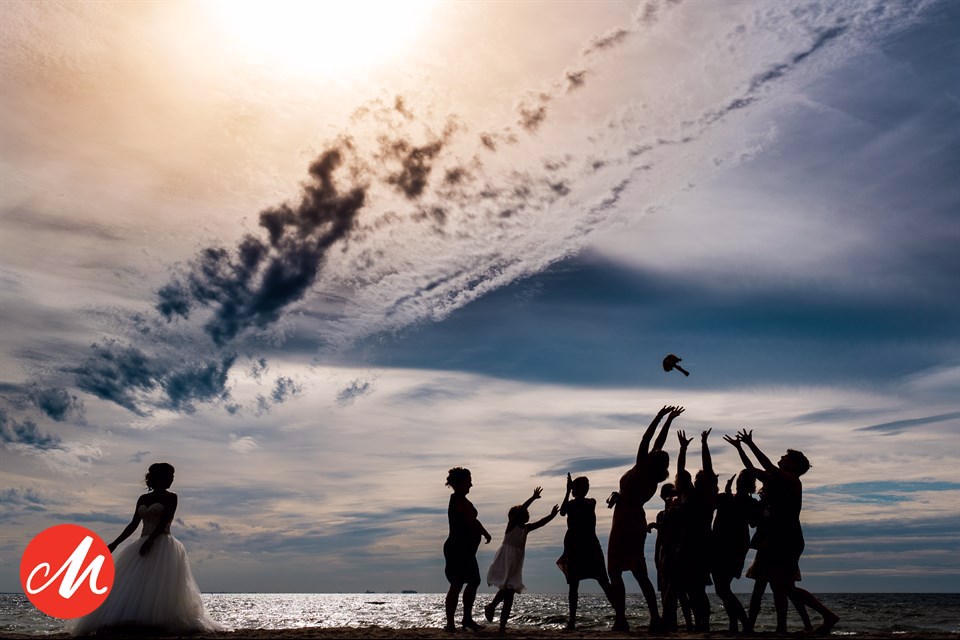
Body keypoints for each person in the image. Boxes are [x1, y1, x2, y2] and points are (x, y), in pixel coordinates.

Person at [67, 463, 223, 636]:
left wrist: (151, 540)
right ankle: (133, 618)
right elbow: (133, 524)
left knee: (160, 582)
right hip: (143, 541)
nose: (172, 479)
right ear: (159, 478)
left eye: (173, 477)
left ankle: (159, 620)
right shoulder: (143, 498)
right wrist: (115, 543)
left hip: (163, 543)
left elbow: (165, 521)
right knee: (133, 581)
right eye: (169, 476)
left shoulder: (171, 497)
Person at [727, 431, 840, 634]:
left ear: (794, 465)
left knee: (784, 586)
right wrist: (740, 448)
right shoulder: (776, 479)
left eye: (786, 456)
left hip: (786, 539)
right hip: (776, 538)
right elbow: (752, 469)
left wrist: (750, 444)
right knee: (778, 586)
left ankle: (826, 616)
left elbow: (767, 465)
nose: (781, 457)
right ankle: (781, 627)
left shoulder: (791, 480)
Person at [606, 405, 683, 632]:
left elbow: (646, 440)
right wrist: (669, 421)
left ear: (651, 460)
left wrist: (659, 416)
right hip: (637, 520)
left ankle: (621, 619)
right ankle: (655, 618)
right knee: (639, 573)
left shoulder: (641, 470)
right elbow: (657, 444)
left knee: (615, 572)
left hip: (624, 521)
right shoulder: (651, 478)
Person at [483, 486, 559, 633]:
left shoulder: (526, 529)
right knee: (507, 590)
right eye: (525, 513)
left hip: (516, 562)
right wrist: (533, 498)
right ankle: (492, 607)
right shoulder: (511, 526)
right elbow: (521, 510)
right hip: (506, 560)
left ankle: (501, 624)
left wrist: (552, 515)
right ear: (517, 516)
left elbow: (541, 523)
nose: (527, 515)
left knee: (509, 594)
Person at [663, 429, 717, 631]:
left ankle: (702, 623)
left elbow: (708, 468)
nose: (698, 478)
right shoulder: (689, 494)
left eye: (701, 477)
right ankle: (673, 623)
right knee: (677, 585)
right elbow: (680, 470)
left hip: (700, 545)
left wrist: (704, 445)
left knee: (696, 589)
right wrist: (683, 449)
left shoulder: (707, 497)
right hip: (687, 544)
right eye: (697, 477)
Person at [557, 474, 620, 630]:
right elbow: (562, 512)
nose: (585, 489)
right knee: (575, 585)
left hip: (588, 546)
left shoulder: (590, 502)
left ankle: (621, 616)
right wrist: (568, 490)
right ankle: (572, 621)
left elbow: (564, 511)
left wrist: (569, 490)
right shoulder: (574, 504)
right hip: (578, 547)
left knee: (602, 582)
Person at [710, 470, 762, 632]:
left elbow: (753, 522)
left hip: (729, 546)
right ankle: (735, 624)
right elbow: (754, 522)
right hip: (730, 545)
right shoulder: (739, 500)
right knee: (723, 587)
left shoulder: (730, 499)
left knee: (722, 588)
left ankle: (743, 623)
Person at [443, 467, 492, 632]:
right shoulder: (458, 501)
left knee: (472, 581)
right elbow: (471, 521)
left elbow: (474, 521)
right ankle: (452, 623)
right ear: (459, 483)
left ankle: (466, 619)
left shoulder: (463, 500)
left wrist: (484, 532)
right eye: (468, 481)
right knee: (457, 584)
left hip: (466, 550)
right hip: (458, 549)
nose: (471, 484)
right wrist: (481, 532)